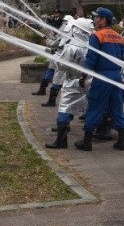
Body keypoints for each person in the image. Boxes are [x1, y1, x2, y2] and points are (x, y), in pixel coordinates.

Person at [74, 8, 124, 152]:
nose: (94, 20)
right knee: (117, 107)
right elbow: (122, 58)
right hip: (116, 76)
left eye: (97, 18)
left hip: (102, 77)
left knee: (95, 106)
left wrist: (83, 76)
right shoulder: (119, 37)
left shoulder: (97, 36)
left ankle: (86, 142)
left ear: (103, 20)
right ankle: (122, 141)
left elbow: (91, 58)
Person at [45, 18, 93, 149]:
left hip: (73, 81)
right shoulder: (92, 46)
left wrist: (56, 58)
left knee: (64, 109)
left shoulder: (71, 47)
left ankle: (61, 141)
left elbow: (61, 65)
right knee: (89, 108)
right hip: (88, 81)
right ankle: (89, 138)